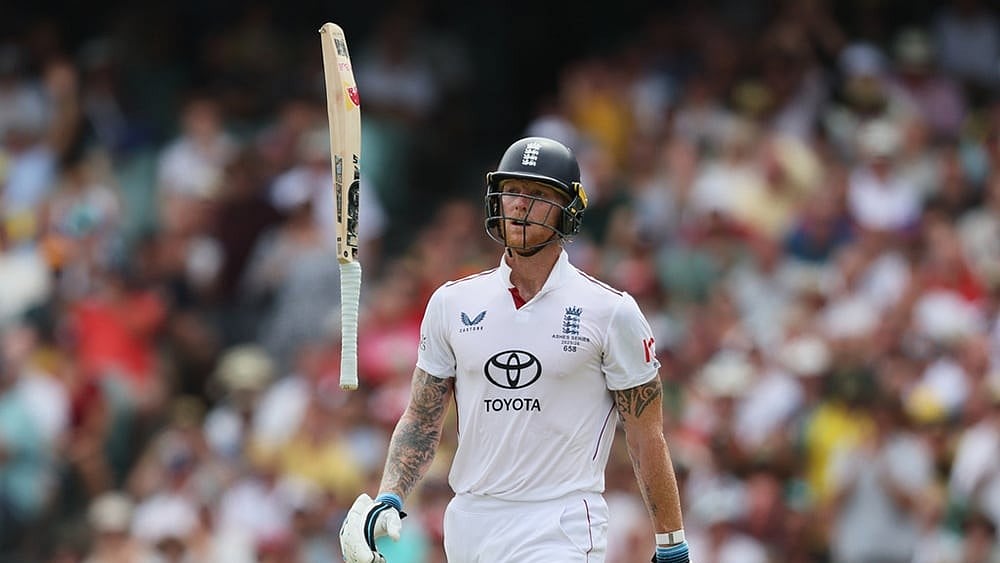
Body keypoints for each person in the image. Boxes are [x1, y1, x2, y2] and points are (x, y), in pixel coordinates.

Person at [339, 137, 690, 562]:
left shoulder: (611, 312)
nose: (521, 205)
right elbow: (422, 418)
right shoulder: (452, 303)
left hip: (560, 521)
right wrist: (390, 497)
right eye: (513, 192)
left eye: (539, 195)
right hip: (470, 520)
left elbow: (645, 435)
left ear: (569, 210)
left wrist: (671, 543)